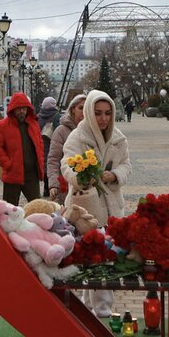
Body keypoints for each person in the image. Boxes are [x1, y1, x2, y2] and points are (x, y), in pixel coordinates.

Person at [61, 89, 130, 318]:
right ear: (90, 113)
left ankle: (96, 308)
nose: (103, 118)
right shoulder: (77, 136)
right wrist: (80, 177)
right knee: (92, 260)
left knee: (104, 259)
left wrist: (115, 175)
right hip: (86, 209)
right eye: (98, 113)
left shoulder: (119, 138)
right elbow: (66, 165)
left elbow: (126, 165)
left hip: (112, 205)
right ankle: (98, 309)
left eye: (108, 113)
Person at [0, 91, 44, 206]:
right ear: (13, 109)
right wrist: (8, 164)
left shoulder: (33, 124)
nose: (21, 111)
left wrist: (40, 165)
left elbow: (39, 144)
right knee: (9, 210)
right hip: (12, 175)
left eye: (24, 108)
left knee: (38, 207)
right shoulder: (2, 126)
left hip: (31, 174)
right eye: (19, 108)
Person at [47, 93, 87, 204]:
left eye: (86, 108)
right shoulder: (61, 131)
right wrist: (54, 184)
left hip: (88, 188)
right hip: (67, 186)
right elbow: (53, 159)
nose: (83, 112)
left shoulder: (92, 131)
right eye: (80, 108)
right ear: (73, 109)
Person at [36, 95, 61, 196]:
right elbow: (58, 129)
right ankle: (52, 187)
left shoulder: (38, 116)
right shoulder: (56, 116)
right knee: (53, 163)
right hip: (53, 142)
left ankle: (46, 188)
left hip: (41, 144)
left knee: (45, 164)